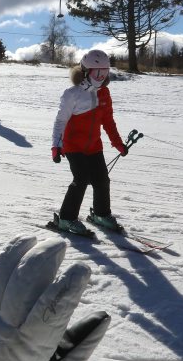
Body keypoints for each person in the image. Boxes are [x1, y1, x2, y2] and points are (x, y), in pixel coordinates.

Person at [51, 49, 127, 234]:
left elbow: (108, 121)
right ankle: (66, 219)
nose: (100, 77)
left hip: (94, 146)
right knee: (81, 179)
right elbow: (61, 120)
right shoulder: (72, 94)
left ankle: (101, 214)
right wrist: (56, 145)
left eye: (104, 72)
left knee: (102, 180)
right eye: (96, 72)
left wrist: (118, 143)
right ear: (85, 72)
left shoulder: (104, 94)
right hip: (73, 146)